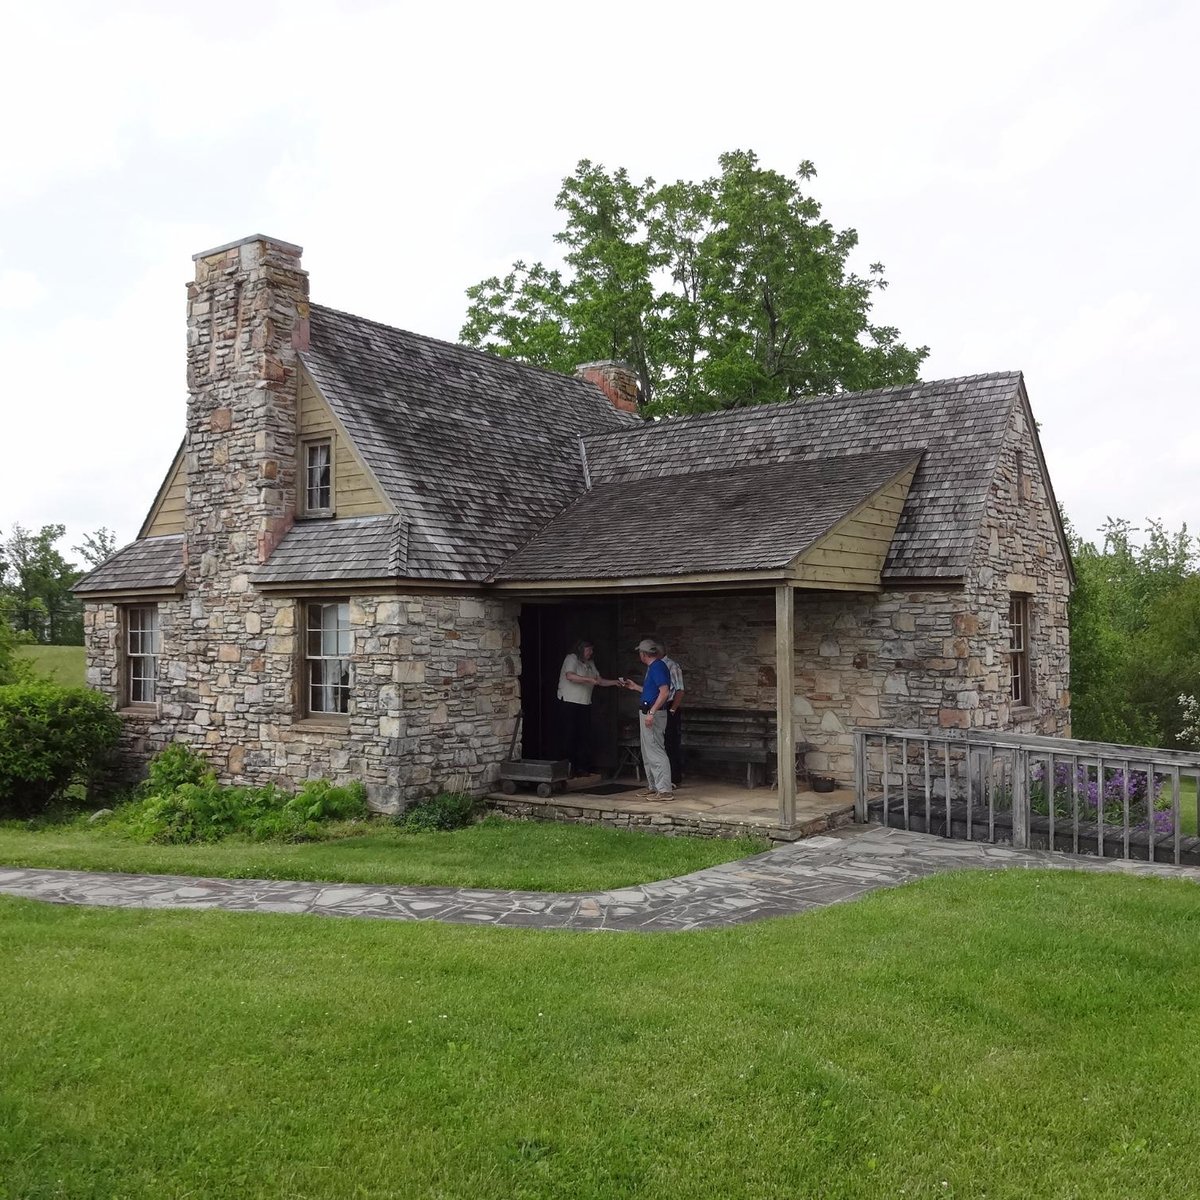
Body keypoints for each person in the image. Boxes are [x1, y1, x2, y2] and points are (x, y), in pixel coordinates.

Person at [620, 637, 673, 799]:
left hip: (653, 714)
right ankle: (654, 786)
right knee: (647, 751)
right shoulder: (654, 667)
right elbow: (654, 692)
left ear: (644, 654)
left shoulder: (657, 668)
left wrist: (651, 713)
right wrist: (635, 687)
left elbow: (664, 693)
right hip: (648, 711)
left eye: (640, 653)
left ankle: (664, 790)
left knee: (656, 750)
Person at [557, 640, 617, 776]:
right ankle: (568, 768)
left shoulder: (590, 663)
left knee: (583, 736)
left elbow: (599, 680)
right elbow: (570, 676)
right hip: (569, 702)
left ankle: (582, 767)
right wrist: (589, 680)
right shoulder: (571, 658)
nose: (591, 652)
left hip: (584, 702)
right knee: (569, 735)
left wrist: (615, 682)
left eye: (591, 650)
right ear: (580, 649)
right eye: (588, 649)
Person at [662, 647, 686, 789]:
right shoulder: (654, 666)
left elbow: (680, 690)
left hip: (670, 705)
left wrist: (673, 708)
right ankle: (664, 777)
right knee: (662, 742)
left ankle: (674, 777)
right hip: (660, 705)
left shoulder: (672, 666)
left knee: (671, 742)